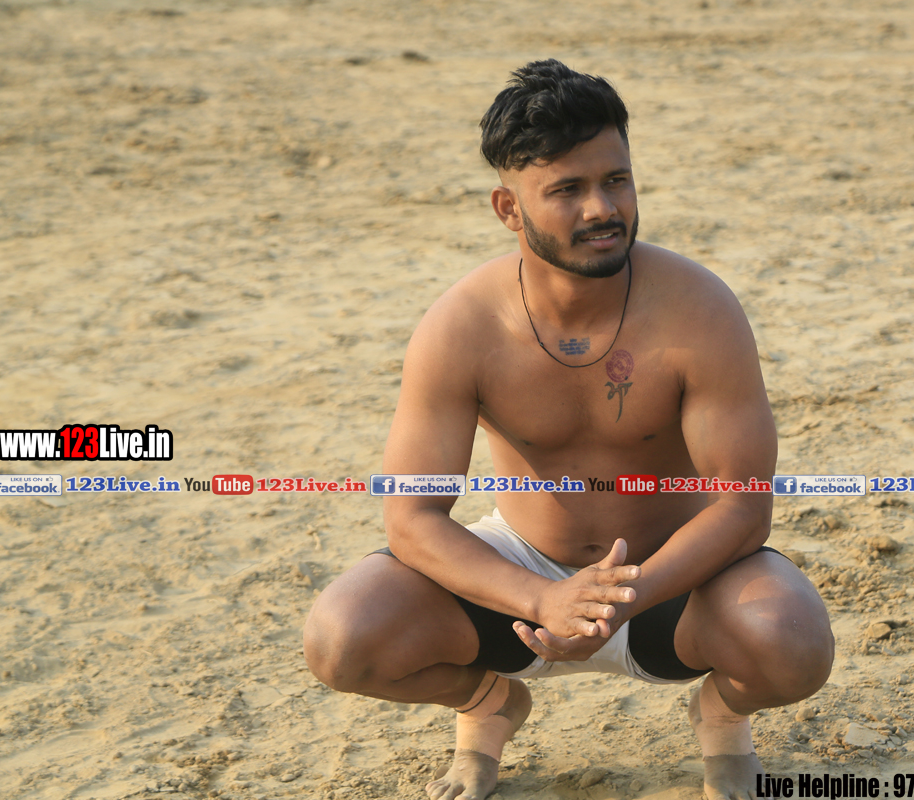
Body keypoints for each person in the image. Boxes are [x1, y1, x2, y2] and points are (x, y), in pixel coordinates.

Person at [303, 59, 835, 800]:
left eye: (616, 180)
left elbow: (742, 505)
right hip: (520, 579)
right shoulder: (463, 326)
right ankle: (488, 703)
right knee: (341, 638)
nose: (602, 208)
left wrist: (620, 599)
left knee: (793, 640)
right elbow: (411, 517)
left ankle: (720, 717)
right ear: (508, 208)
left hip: (670, 579)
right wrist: (539, 598)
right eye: (566, 190)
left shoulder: (698, 310)